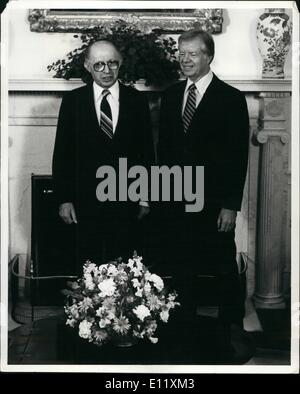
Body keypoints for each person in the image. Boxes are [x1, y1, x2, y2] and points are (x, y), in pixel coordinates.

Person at [158, 29, 249, 354]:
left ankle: (233, 330)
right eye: (181, 53)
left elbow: (238, 157)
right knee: (181, 266)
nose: (184, 59)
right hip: (177, 200)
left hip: (214, 204)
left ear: (208, 56)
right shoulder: (170, 97)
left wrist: (230, 205)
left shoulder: (231, 98)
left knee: (222, 267)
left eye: (192, 53)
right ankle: (184, 329)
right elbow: (165, 152)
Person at [52, 40, 154, 274]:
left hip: (126, 200)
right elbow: (62, 154)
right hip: (84, 202)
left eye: (112, 63)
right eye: (99, 65)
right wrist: (64, 199)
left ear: (120, 64)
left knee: (126, 268)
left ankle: (121, 311)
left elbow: (146, 154)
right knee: (88, 268)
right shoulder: (73, 102)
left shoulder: (136, 101)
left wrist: (145, 198)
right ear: (87, 66)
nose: (106, 71)